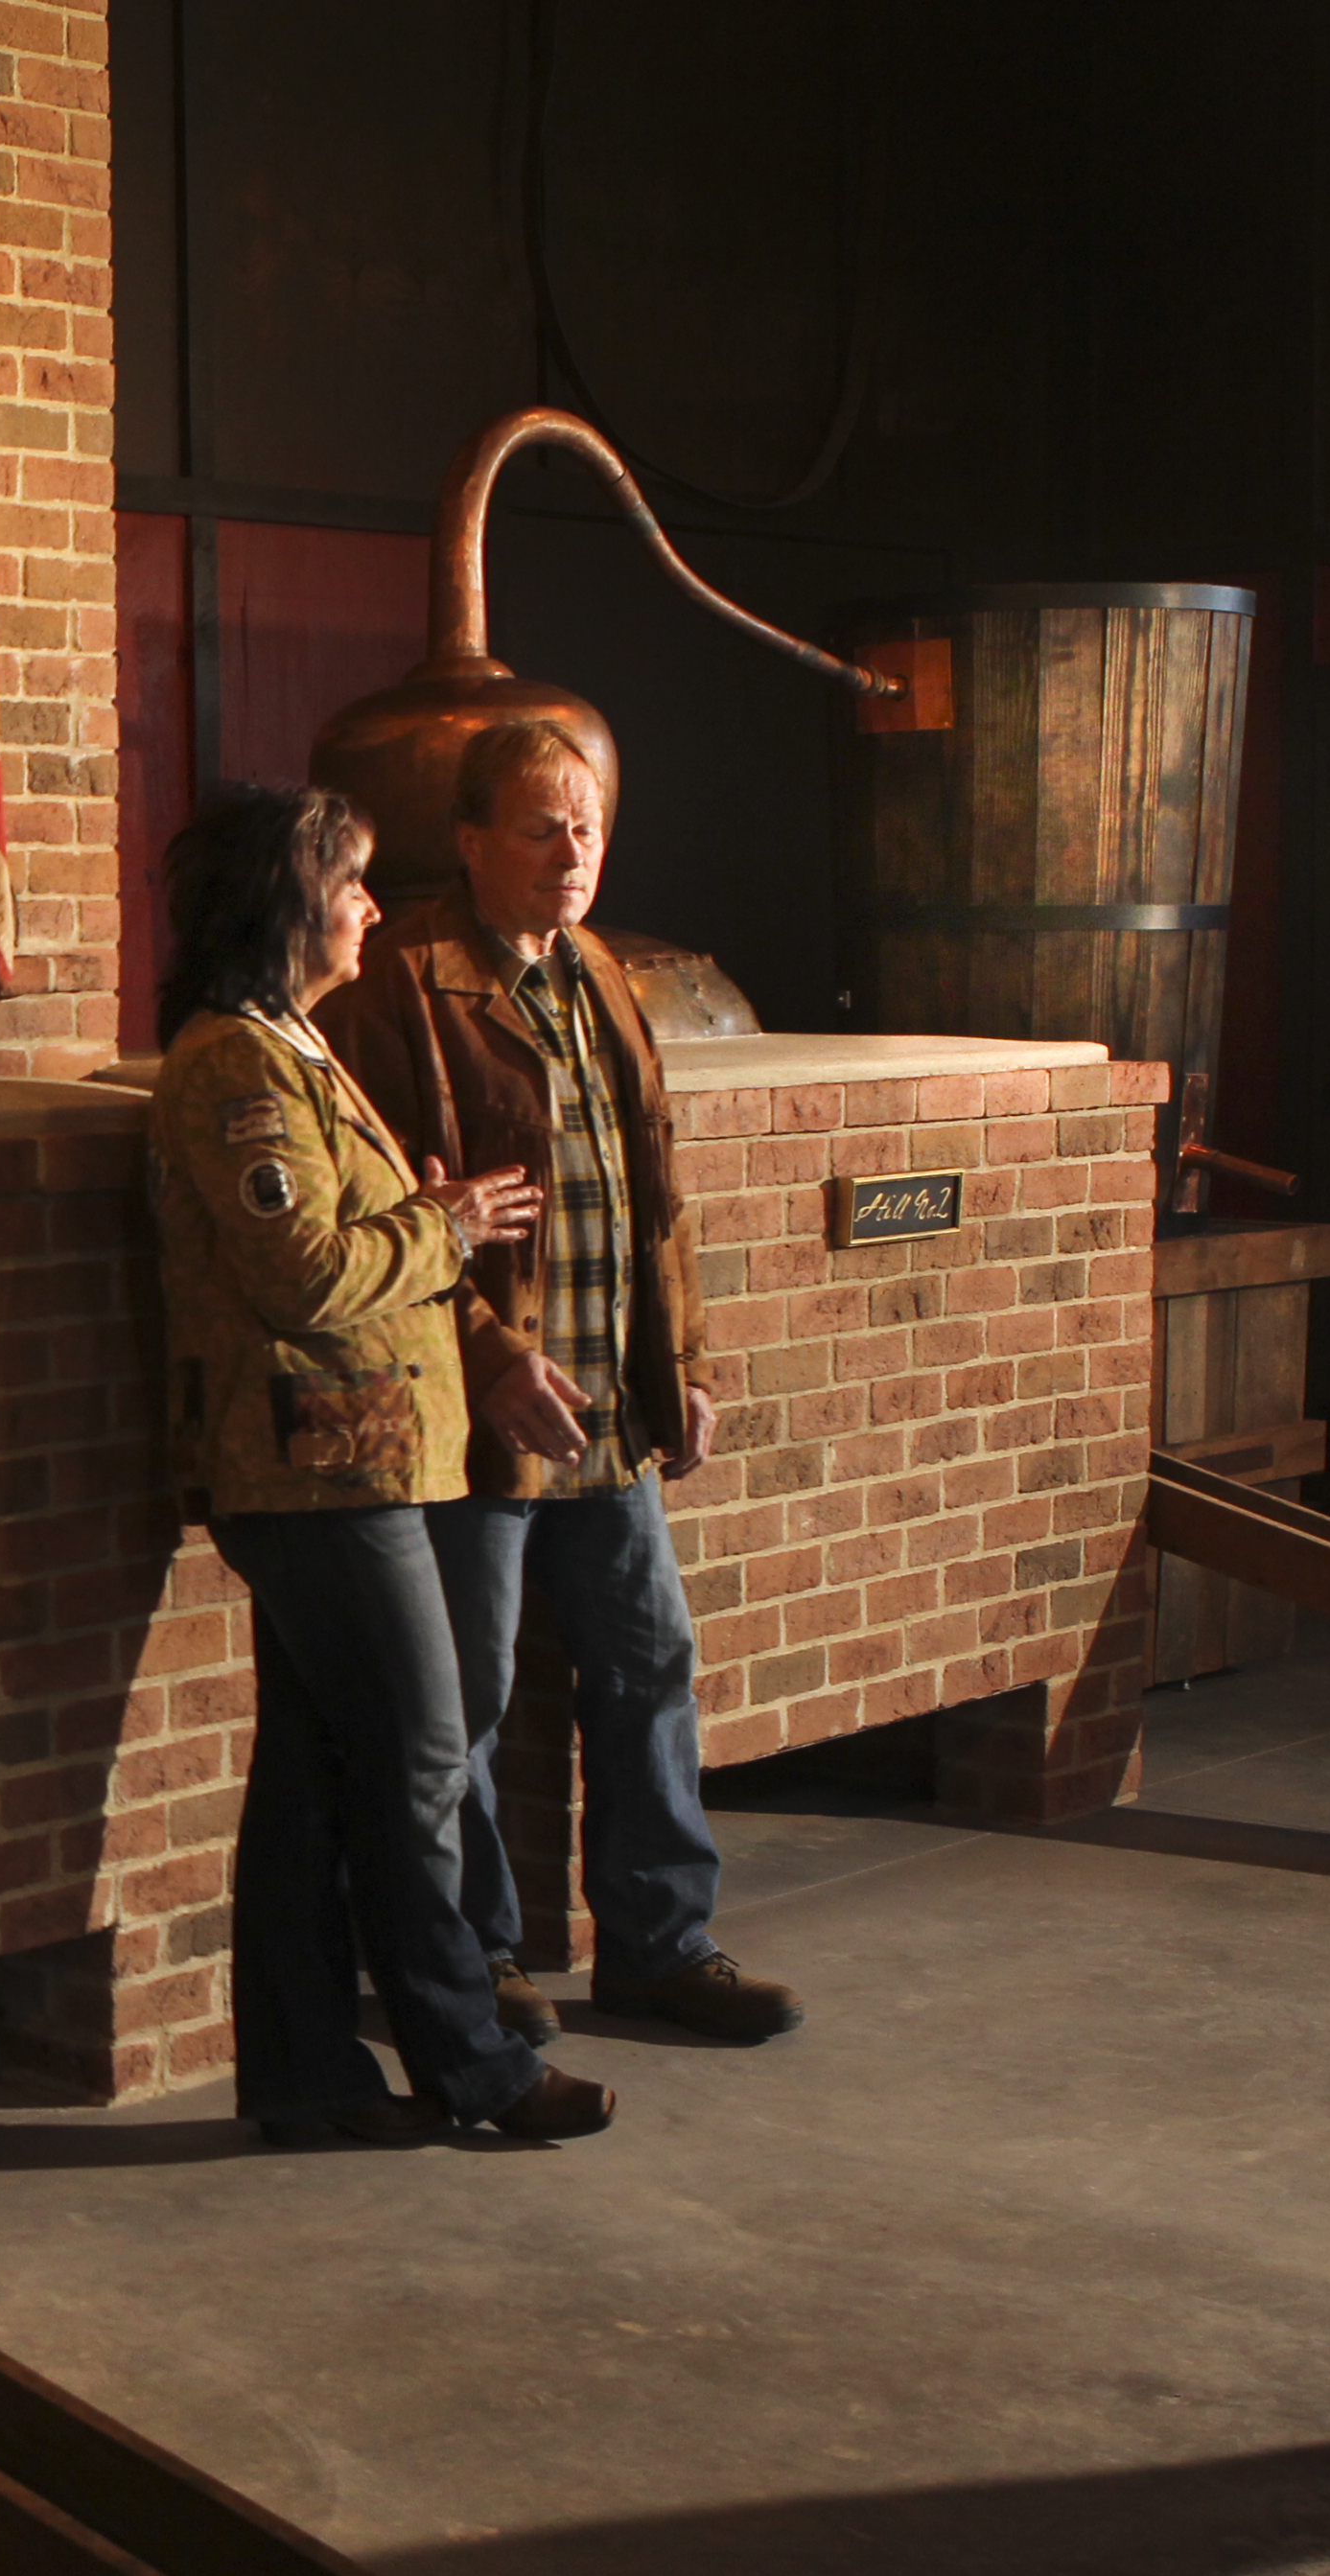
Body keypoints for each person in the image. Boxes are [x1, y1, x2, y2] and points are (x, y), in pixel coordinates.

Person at [312, 718, 803, 2044]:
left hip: (609, 1418)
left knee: (651, 1667)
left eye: (586, 825)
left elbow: (660, 1201)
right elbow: (386, 1213)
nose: (572, 851)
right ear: (470, 842)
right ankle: (481, 1962)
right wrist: (485, 1353)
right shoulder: (401, 985)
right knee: (463, 1699)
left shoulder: (598, 971)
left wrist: (683, 1365)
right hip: (485, 1425)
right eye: (541, 825)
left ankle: (659, 1943)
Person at [152, 784, 615, 2146]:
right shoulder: (235, 1065)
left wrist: (416, 1215)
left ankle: (306, 2080)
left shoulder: (291, 1045)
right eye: (349, 883)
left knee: (310, 1784)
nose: (367, 906)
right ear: (288, 904)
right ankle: (476, 2065)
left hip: (360, 1465)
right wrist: (446, 1223)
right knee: (420, 1757)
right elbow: (300, 1276)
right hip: (317, 1474)